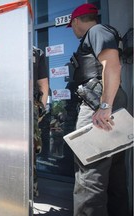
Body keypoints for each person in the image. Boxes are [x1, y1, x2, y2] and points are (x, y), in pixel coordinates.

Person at [68, 3, 129, 216]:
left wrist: (104, 106)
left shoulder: (96, 31)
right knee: (113, 173)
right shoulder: (100, 32)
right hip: (106, 104)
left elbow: (112, 64)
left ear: (76, 21)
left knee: (90, 173)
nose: (74, 31)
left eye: (72, 26)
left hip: (98, 106)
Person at [0, 47, 49, 197]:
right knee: (28, 150)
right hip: (30, 106)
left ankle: (7, 190)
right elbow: (43, 84)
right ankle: (29, 191)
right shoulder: (36, 51)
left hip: (5, 108)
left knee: (4, 149)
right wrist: (40, 110)